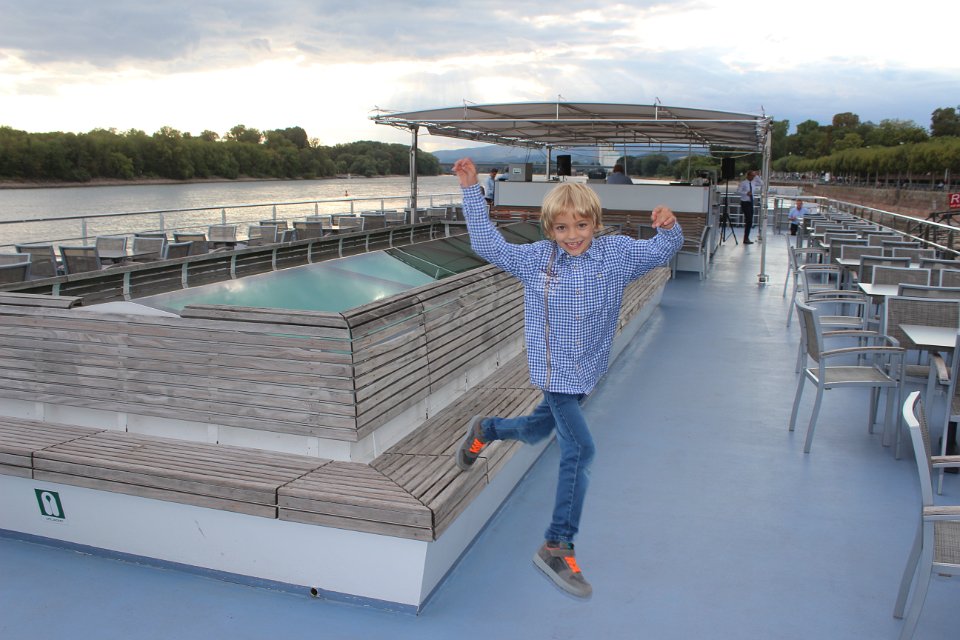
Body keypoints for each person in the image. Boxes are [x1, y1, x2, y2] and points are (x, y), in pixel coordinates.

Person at [451, 157, 682, 598]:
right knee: (580, 448)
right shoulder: (537, 260)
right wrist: (470, 190)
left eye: (580, 225)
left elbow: (659, 251)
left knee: (536, 429)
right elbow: (488, 243)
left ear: (594, 222)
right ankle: (557, 545)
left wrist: (668, 228)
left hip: (587, 370)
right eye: (561, 228)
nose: (572, 235)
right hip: (555, 371)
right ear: (549, 229)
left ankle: (486, 430)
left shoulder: (616, 255)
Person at [737, 170, 757, 244]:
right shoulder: (743, 183)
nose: (753, 177)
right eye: (752, 175)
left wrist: (757, 176)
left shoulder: (753, 183)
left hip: (751, 202)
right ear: (748, 176)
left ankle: (746, 237)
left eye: (754, 176)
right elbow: (738, 191)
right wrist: (746, 193)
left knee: (750, 220)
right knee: (748, 219)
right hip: (745, 202)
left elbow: (762, 183)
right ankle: (745, 238)